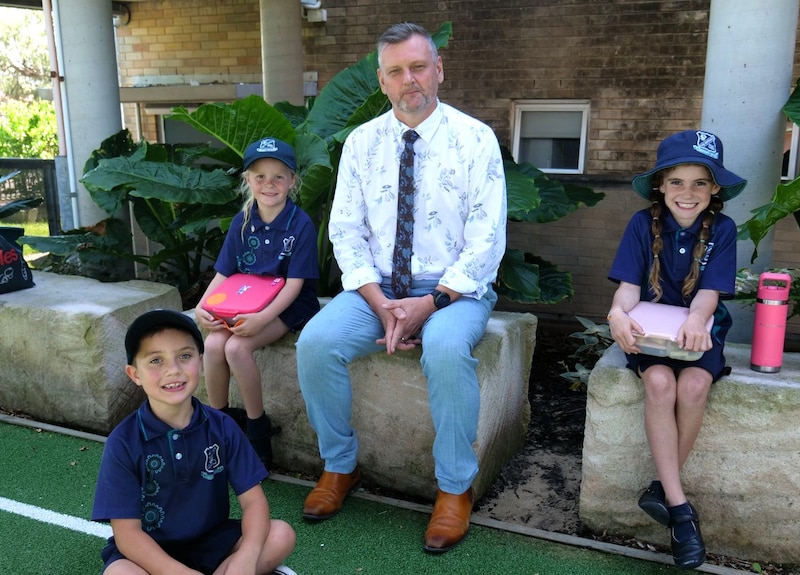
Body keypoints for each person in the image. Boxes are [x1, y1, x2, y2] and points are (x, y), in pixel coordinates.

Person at [295, 22, 507, 554]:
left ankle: (454, 488)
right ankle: (339, 468)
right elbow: (345, 229)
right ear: (382, 81)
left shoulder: (475, 138)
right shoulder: (362, 144)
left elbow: (487, 239)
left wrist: (429, 303)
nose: (408, 79)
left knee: (444, 346)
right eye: (396, 71)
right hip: (378, 289)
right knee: (317, 343)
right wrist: (379, 301)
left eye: (418, 67)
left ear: (439, 69)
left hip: (453, 289)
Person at [606, 129, 746, 570]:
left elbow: (709, 294)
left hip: (698, 327)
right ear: (660, 186)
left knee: (694, 386)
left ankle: (660, 492)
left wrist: (696, 320)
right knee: (662, 382)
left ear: (715, 188)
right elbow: (629, 289)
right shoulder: (640, 224)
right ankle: (680, 510)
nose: (687, 193)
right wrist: (616, 314)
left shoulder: (723, 229)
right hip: (651, 331)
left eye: (700, 182)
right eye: (677, 182)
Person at [91, 309, 297, 575]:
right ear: (135, 374)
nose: (173, 370)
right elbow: (128, 533)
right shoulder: (123, 441)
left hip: (212, 540)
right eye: (156, 360)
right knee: (119, 574)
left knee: (281, 533)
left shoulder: (223, 426)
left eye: (184, 356)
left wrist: (247, 555)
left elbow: (254, 502)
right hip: (151, 551)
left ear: (200, 362)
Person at [195, 137, 320, 468]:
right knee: (215, 345)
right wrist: (203, 305)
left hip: (286, 305)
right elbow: (224, 272)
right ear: (248, 180)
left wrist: (263, 319)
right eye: (260, 176)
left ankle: (257, 429)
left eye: (279, 176)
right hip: (244, 302)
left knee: (237, 348)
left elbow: (294, 286)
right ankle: (218, 426)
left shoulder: (300, 224)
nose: (269, 184)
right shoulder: (243, 221)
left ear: (293, 181)